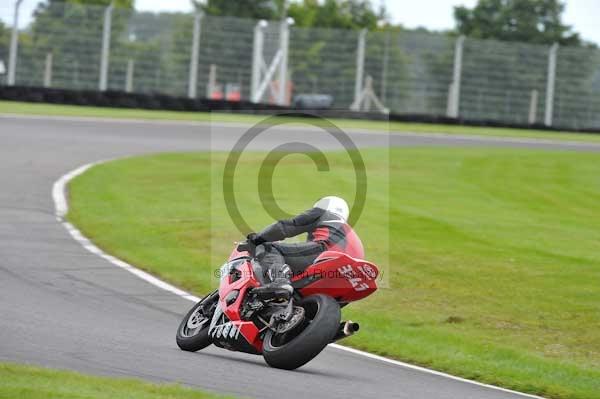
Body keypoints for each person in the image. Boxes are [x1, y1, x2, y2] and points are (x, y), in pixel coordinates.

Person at [242, 196, 364, 299]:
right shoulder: (351, 234)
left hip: (326, 252)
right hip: (351, 275)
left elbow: (285, 227)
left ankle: (279, 282)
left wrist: (256, 239)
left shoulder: (322, 213)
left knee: (269, 248)